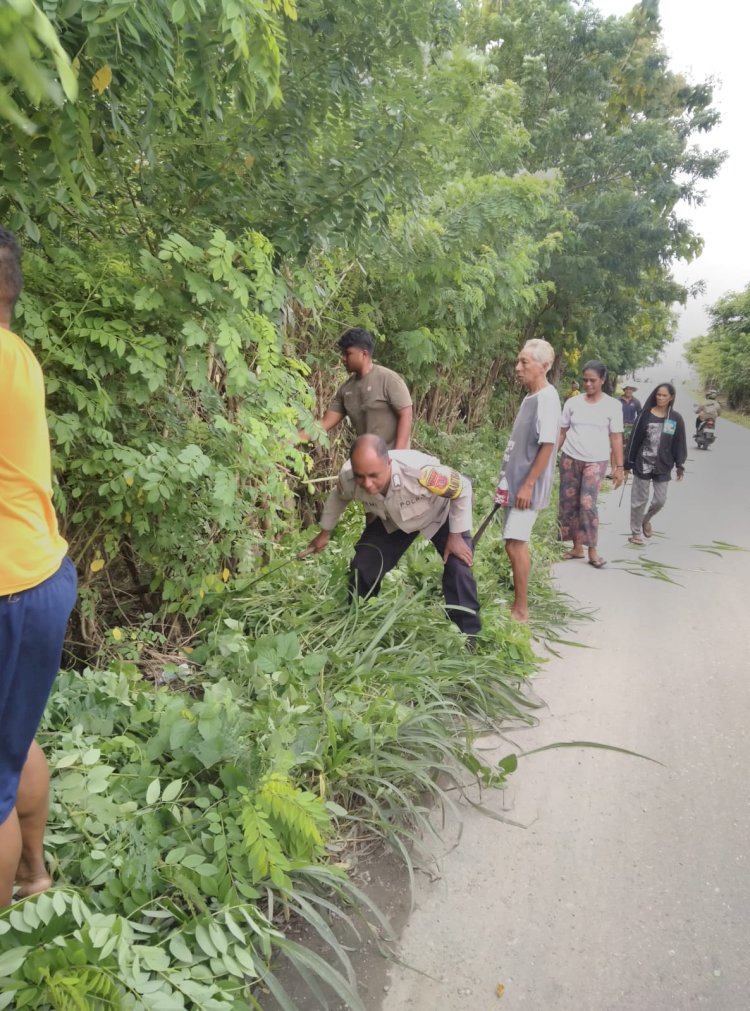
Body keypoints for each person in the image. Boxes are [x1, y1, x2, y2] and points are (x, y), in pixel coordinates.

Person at [0, 226, 77, 907]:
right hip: (42, 576)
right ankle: (33, 874)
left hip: (6, 590)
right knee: (12, 739)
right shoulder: (18, 354)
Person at [303, 434, 480, 637]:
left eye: (374, 475)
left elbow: (463, 488)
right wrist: (325, 532)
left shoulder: (421, 472)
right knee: (364, 566)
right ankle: (356, 621)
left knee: (458, 568)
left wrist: (456, 536)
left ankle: (466, 637)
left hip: (439, 513)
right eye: (361, 477)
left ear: (388, 463)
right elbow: (339, 497)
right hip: (393, 520)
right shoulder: (349, 476)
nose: (367, 484)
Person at [494, 339, 561, 622]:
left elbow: (547, 445)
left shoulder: (547, 398)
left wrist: (528, 484)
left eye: (524, 362)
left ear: (543, 366)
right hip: (515, 483)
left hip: (526, 487)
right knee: (511, 542)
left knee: (515, 544)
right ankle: (517, 604)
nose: (517, 367)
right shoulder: (531, 397)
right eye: (518, 361)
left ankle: (521, 610)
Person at [557, 360, 624, 568]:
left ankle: (592, 550)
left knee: (587, 503)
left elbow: (616, 437)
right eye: (585, 380)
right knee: (569, 503)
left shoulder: (613, 406)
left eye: (592, 380)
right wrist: (549, 457)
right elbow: (562, 431)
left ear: (602, 380)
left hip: (596, 460)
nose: (588, 384)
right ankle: (577, 547)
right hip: (570, 457)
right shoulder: (572, 403)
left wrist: (619, 468)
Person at [298, 328, 413, 449]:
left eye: (348, 354)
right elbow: (324, 423)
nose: (343, 358)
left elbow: (406, 414)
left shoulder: (389, 380)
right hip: (366, 456)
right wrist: (292, 438)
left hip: (393, 456)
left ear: (364, 354)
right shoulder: (346, 390)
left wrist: (398, 455)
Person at [625, 383, 687, 545]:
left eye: (664, 395)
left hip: (663, 464)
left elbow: (679, 443)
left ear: (671, 397)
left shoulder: (675, 418)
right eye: (658, 394)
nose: (660, 398)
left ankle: (646, 519)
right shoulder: (645, 415)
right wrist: (627, 463)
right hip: (642, 463)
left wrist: (680, 465)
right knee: (639, 500)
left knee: (660, 500)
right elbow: (634, 439)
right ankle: (636, 533)